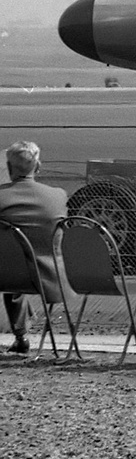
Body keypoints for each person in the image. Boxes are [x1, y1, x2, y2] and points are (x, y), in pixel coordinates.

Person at [0, 141, 69, 354]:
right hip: (48, 276)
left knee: (11, 259)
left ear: (9, 169)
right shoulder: (58, 196)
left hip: (6, 275)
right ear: (37, 167)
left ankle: (21, 335)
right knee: (21, 259)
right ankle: (21, 335)